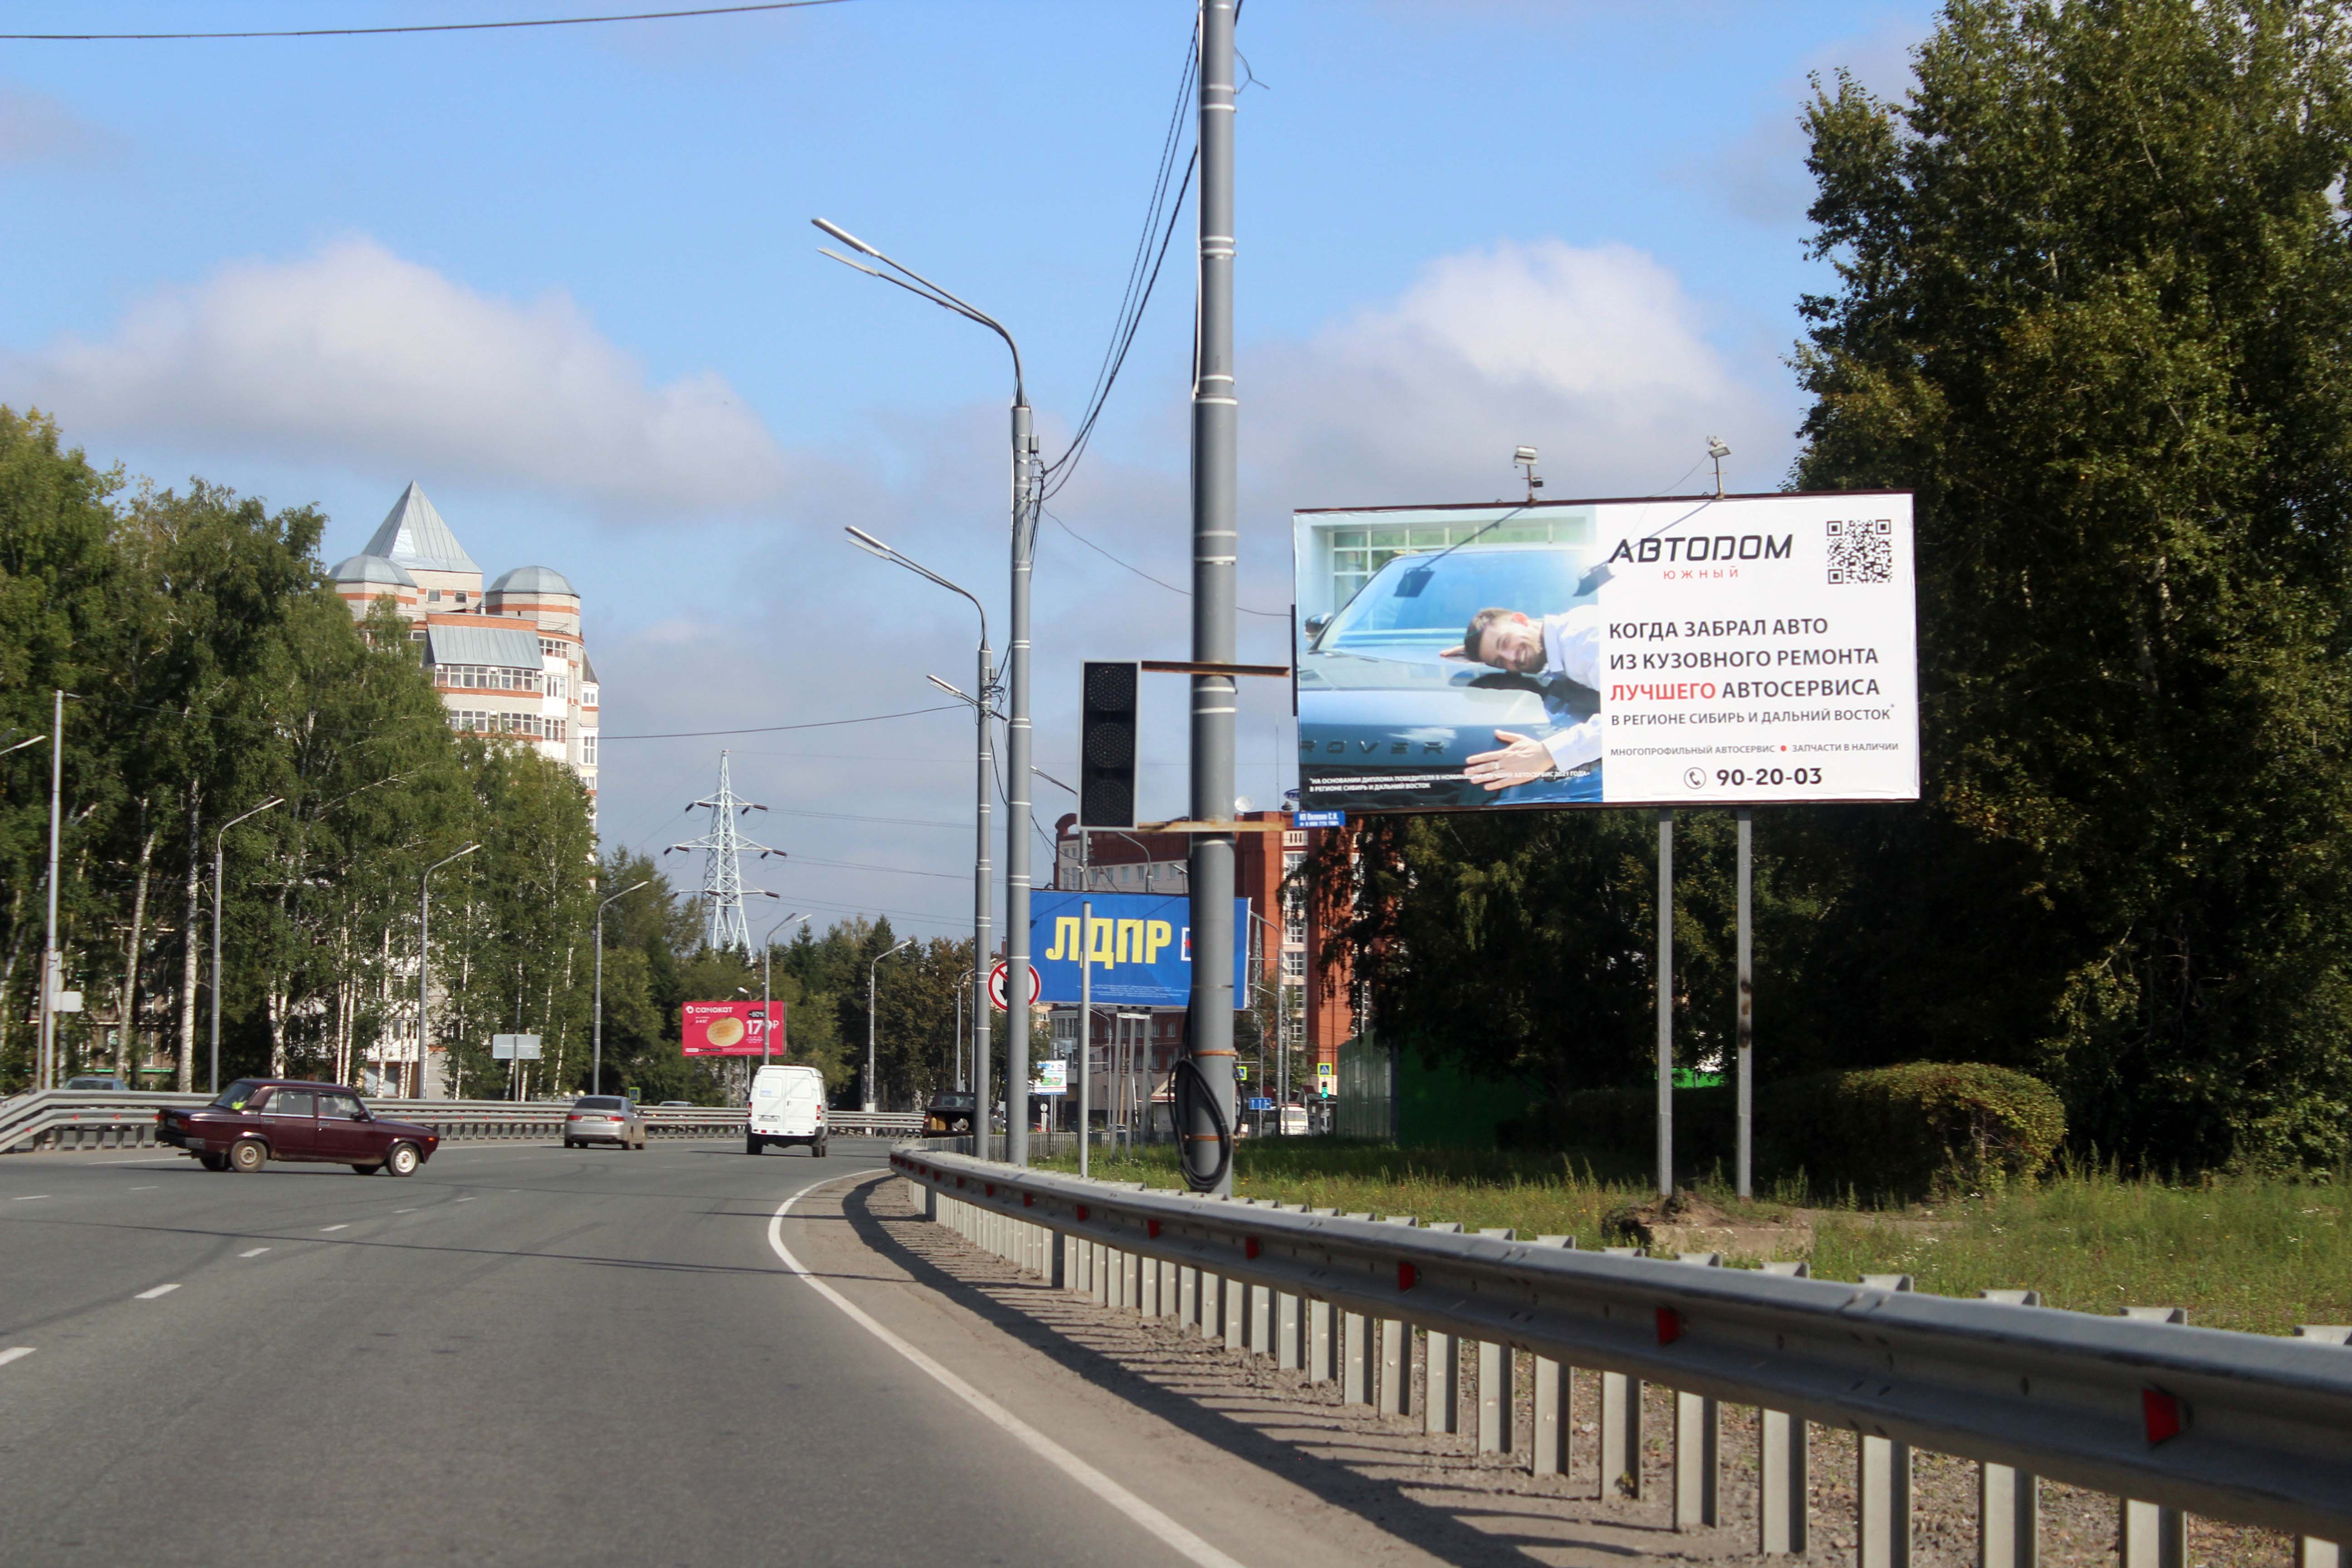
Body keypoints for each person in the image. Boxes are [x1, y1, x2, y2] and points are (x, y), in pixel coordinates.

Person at [1441, 605, 1603, 793]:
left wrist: (1547, 754)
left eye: (1504, 642)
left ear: (1521, 620)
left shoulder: (1586, 642)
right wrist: (1482, 650)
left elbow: (1635, 718)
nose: (1512, 658)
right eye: (1500, 662)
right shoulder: (1568, 634)